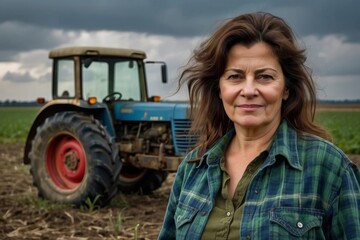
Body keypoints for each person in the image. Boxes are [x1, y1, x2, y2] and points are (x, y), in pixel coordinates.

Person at [158, 12, 360, 239]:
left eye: (265, 77)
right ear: (219, 88)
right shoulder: (193, 169)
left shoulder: (328, 167)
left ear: (286, 89)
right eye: (235, 77)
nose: (249, 90)